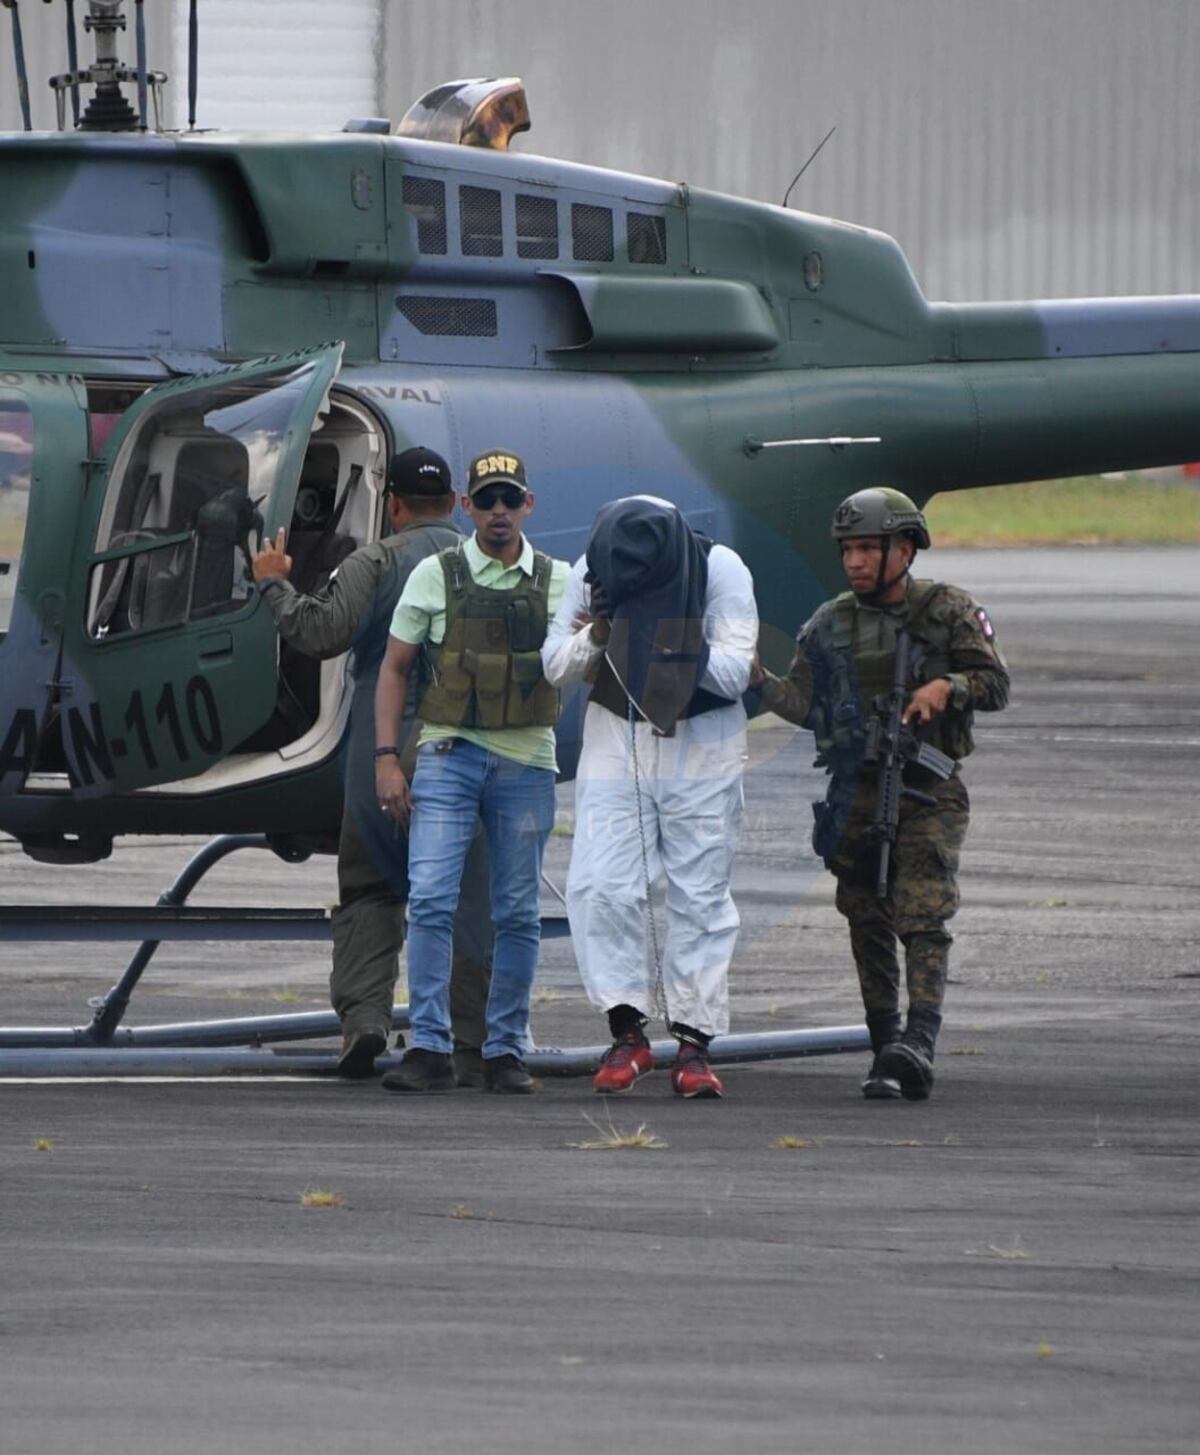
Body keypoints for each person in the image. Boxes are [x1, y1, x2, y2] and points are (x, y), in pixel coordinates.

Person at [752, 487, 1010, 1101]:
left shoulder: (947, 610)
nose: (855, 561)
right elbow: (806, 704)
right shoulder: (829, 622)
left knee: (922, 911)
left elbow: (995, 683)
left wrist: (948, 687)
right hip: (855, 789)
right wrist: (759, 681)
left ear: (905, 550)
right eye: (848, 550)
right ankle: (885, 1049)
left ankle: (919, 1040)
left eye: (868, 548)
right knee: (865, 916)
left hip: (929, 786)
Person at [252, 447, 492, 1083]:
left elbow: (321, 631)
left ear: (394, 505)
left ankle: (364, 1021)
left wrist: (274, 582)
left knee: (369, 885)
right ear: (454, 504)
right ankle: (472, 1041)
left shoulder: (377, 560)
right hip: (466, 743)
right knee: (468, 894)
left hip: (380, 744)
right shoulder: (487, 564)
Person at [542, 496, 758, 1099]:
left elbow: (734, 673)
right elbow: (555, 665)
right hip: (618, 731)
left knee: (700, 891)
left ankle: (694, 1045)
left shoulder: (721, 569)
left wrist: (662, 637)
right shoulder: (592, 571)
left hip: (703, 739)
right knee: (598, 884)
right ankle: (627, 1033)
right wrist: (601, 634)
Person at [374, 449, 569, 1094]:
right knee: (431, 899)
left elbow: (583, 661)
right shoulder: (436, 575)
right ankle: (430, 1047)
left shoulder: (561, 581)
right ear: (466, 507)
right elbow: (395, 669)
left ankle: (505, 1049)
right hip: (448, 757)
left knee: (517, 912)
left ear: (528, 505)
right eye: (486, 500)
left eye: (510, 498)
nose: (498, 511)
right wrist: (386, 760)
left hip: (526, 763)